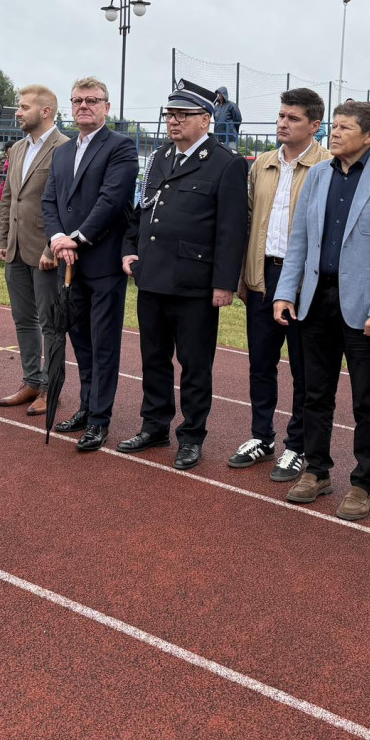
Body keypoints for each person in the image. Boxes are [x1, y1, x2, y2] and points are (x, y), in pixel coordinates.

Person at [273, 100, 370, 520]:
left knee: (366, 400)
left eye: (344, 128)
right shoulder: (318, 175)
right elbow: (299, 241)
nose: (334, 133)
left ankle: (363, 483)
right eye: (333, 126)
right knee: (314, 393)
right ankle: (316, 471)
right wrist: (285, 292)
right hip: (316, 302)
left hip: (364, 308)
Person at [120, 84, 247, 469]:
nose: (173, 121)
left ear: (206, 119)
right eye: (169, 115)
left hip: (195, 284)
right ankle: (154, 425)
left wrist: (224, 283)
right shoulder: (161, 157)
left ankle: (191, 436)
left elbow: (231, 230)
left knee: (194, 365)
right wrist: (129, 248)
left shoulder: (225, 163)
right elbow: (143, 209)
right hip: (152, 276)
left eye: (182, 115)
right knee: (153, 358)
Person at [232, 88, 331, 480]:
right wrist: (245, 275)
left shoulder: (328, 165)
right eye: (281, 116)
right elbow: (248, 218)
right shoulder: (263, 163)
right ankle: (262, 437)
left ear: (314, 125)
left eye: (293, 118)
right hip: (264, 275)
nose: (283, 123)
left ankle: (297, 445)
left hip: (306, 284)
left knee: (304, 371)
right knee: (261, 363)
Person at [42, 76, 139, 451]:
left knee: (103, 344)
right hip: (69, 262)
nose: (84, 106)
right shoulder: (63, 151)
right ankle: (85, 407)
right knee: (79, 340)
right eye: (78, 100)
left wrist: (77, 239)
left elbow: (111, 201)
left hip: (103, 262)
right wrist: (57, 240)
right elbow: (50, 201)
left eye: (92, 100)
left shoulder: (120, 147)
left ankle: (100, 419)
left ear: (106, 108)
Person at [0, 85, 69, 416]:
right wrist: (2, 240)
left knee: (51, 324)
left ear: (46, 111)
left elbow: (65, 204)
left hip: (46, 252)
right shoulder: (17, 148)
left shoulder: (64, 148)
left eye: (24, 107)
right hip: (16, 250)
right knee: (24, 319)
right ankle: (32, 381)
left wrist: (53, 248)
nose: (18, 113)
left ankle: (52, 389)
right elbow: (10, 197)